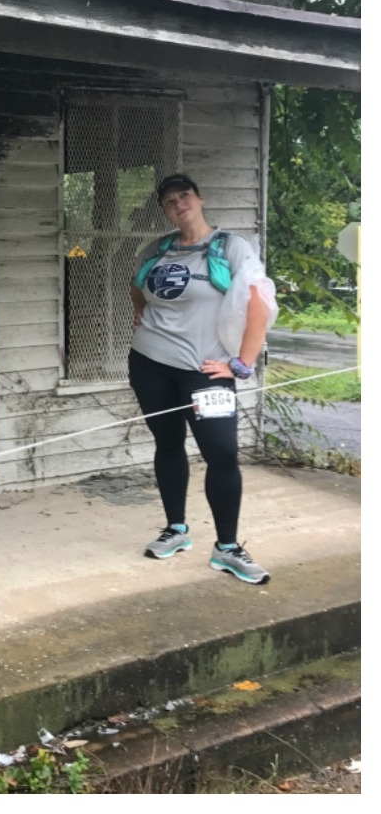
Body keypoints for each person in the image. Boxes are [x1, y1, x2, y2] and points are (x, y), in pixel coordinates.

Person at [125, 174, 273, 584]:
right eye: (169, 200)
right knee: (168, 444)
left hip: (207, 371)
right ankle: (176, 529)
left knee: (222, 453)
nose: (178, 204)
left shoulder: (231, 247)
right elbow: (137, 285)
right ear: (164, 209)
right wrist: (139, 313)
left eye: (184, 195)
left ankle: (227, 548)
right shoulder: (157, 249)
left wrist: (241, 364)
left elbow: (258, 305)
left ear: (199, 198)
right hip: (150, 363)